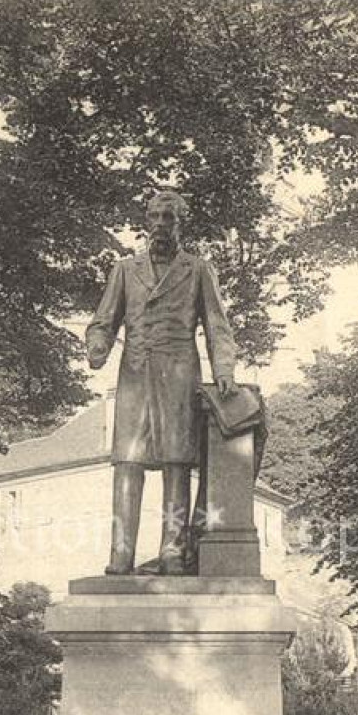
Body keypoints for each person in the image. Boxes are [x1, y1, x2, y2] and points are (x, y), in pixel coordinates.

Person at [86, 189, 237, 575]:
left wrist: (224, 370)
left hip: (179, 371)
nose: (159, 225)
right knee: (127, 461)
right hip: (136, 372)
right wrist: (98, 345)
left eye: (167, 218)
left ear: (179, 222)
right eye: (153, 217)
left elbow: (217, 325)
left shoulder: (199, 269)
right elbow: (104, 320)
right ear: (146, 222)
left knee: (176, 461)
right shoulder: (124, 269)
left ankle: (172, 549)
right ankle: (121, 551)